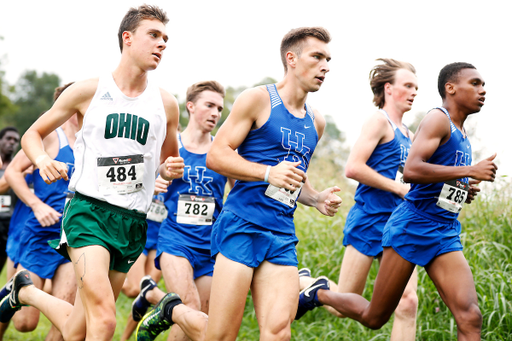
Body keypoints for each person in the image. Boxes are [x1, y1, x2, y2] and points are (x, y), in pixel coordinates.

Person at [0, 5, 186, 341]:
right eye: (154, 35)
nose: (162, 44)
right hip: (88, 213)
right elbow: (32, 135)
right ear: (127, 38)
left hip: (132, 222)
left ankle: (24, 293)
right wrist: (42, 160)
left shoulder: (166, 103)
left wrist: (169, 169)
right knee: (104, 321)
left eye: (165, 39)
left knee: (80, 326)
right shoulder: (89, 91)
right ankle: (25, 293)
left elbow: (168, 161)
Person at [307, 62, 497, 341]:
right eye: (475, 83)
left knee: (467, 315)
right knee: (373, 316)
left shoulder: (434, 134)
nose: (483, 90)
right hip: (390, 221)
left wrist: (462, 187)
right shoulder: (427, 119)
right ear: (451, 88)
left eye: (416, 87)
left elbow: (432, 175)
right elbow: (405, 171)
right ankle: (318, 291)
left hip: (441, 229)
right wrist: (467, 171)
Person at [204, 27, 340, 341]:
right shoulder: (258, 99)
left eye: (328, 59)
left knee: (278, 332)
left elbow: (290, 180)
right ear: (291, 59)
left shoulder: (315, 122)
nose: (326, 66)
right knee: (222, 334)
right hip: (242, 224)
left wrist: (316, 198)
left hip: (281, 234)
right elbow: (217, 155)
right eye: (317, 57)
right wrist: (267, 172)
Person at [296, 59, 419, 340]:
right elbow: (353, 167)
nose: (414, 92)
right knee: (344, 304)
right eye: (408, 86)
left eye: (416, 87)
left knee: (408, 301)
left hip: (400, 226)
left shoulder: (411, 135)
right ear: (388, 88)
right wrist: (398, 189)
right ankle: (313, 286)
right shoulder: (378, 121)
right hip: (370, 220)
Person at [134, 80, 234, 341]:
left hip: (211, 244)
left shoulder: (223, 152)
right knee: (189, 306)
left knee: (200, 321)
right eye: (209, 105)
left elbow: (237, 194)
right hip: (176, 238)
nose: (215, 113)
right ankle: (156, 298)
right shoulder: (170, 144)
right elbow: (143, 176)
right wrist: (152, 182)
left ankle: (156, 300)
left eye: (220, 109)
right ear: (190, 106)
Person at [1, 104, 78, 340]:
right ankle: (12, 293)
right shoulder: (52, 136)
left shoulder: (96, 143)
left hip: (75, 236)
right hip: (41, 234)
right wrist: (37, 205)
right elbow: (13, 172)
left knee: (66, 318)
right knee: (25, 323)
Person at [0, 127, 20, 273]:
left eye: (15, 140)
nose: (12, 143)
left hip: (10, 223)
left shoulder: (20, 167)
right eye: (8, 139)